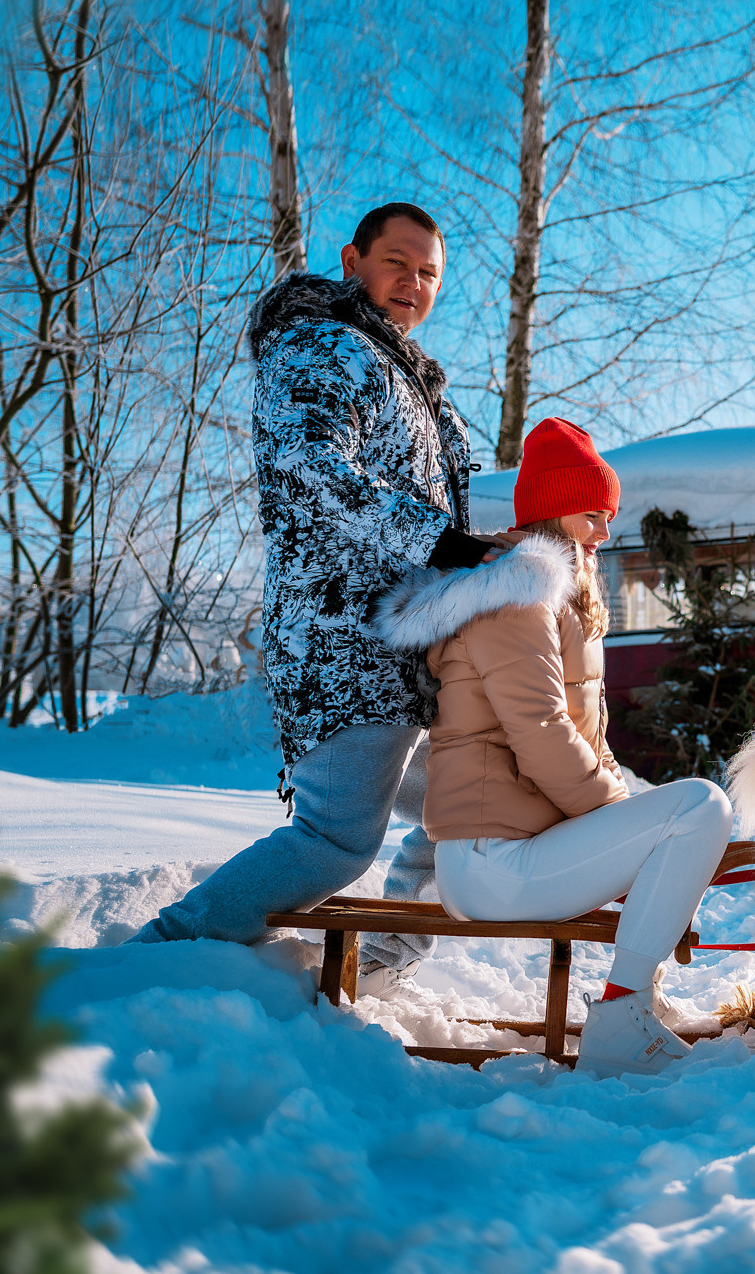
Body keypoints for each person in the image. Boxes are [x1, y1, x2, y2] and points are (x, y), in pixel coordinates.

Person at [131, 203, 512, 986]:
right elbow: (311, 463)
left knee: (476, 792)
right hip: (344, 642)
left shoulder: (411, 380)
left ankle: (379, 965)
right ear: (352, 260)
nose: (414, 282)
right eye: (398, 262)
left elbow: (441, 504)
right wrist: (441, 545)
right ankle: (158, 958)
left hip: (408, 647)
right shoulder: (321, 345)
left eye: (429, 272)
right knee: (335, 840)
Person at [369, 418, 733, 1076]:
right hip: (492, 862)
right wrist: (622, 825)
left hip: (514, 851)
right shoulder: (516, 603)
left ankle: (637, 999)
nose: (606, 531)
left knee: (689, 813)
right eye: (593, 514)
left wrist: (626, 823)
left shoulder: (553, 604)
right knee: (701, 806)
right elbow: (542, 736)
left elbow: (586, 746)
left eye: (609, 515)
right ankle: (622, 1018)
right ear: (554, 510)